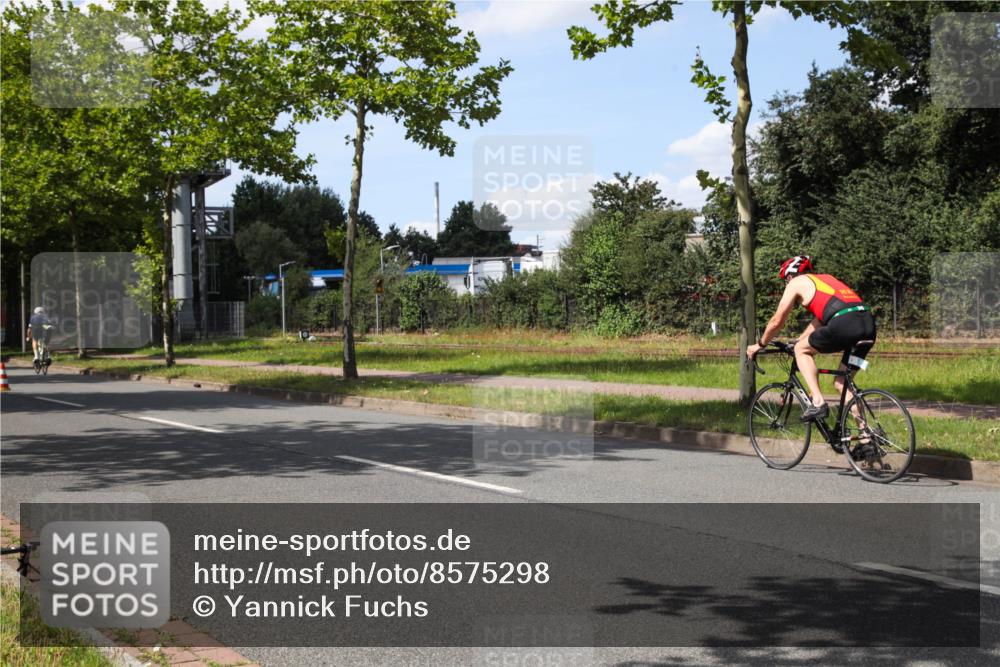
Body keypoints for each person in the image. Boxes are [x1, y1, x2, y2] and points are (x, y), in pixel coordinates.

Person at [746, 256, 876, 422]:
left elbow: (777, 321)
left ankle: (818, 402)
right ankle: (866, 439)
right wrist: (800, 339)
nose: (786, 284)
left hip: (844, 324)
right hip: (868, 326)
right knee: (841, 382)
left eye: (785, 280)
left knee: (801, 350)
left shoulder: (796, 282)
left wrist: (760, 344)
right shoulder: (827, 279)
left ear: (790, 276)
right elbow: (820, 321)